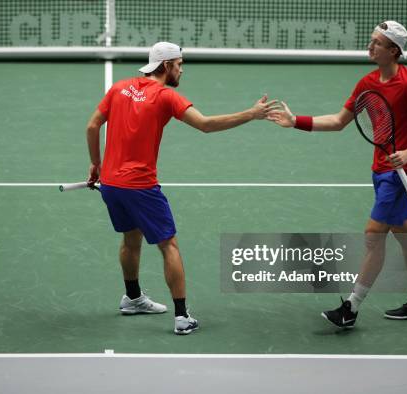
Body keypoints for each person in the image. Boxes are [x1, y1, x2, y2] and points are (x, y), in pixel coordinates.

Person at [86, 42, 278, 335]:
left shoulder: (120, 87)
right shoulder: (165, 96)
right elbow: (205, 125)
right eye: (179, 64)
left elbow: (92, 126)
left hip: (111, 184)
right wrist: (250, 114)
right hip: (140, 186)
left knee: (130, 238)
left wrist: (96, 166)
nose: (181, 69)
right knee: (169, 245)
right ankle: (181, 317)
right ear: (166, 66)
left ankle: (133, 298)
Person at [268, 21, 407, 328]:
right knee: (406, 237)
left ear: (393, 51)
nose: (370, 46)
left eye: (377, 43)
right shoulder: (367, 83)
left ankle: (350, 308)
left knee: (372, 237)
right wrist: (296, 120)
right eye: (371, 41)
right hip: (380, 171)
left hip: (402, 174)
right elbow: (339, 121)